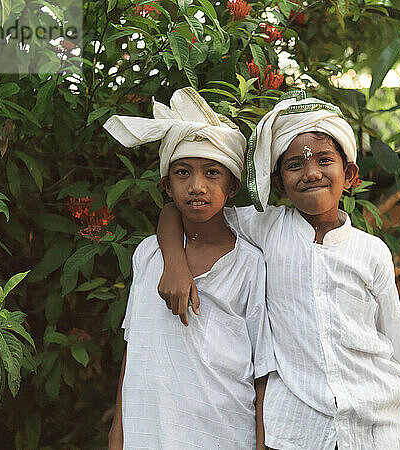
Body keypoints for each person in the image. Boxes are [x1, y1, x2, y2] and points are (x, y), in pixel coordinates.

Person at [157, 90, 400, 449]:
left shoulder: (372, 252)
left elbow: (394, 346)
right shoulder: (266, 227)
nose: (311, 173)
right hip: (297, 428)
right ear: (278, 181)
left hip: (375, 426)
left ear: (350, 172)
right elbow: (182, 209)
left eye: (324, 160)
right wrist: (175, 264)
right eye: (295, 165)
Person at [104, 87, 276, 449]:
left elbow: (263, 366)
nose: (197, 186)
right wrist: (117, 431)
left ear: (231, 187)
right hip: (149, 430)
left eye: (212, 173)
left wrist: (262, 442)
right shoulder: (149, 255)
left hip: (225, 430)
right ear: (167, 186)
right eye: (183, 173)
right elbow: (134, 346)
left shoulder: (250, 263)